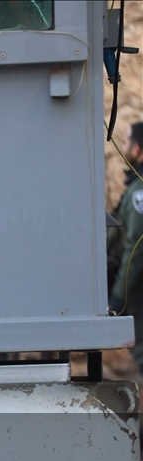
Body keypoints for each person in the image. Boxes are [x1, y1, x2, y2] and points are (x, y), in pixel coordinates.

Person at [110, 121, 143, 377]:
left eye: (125, 142)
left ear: (138, 150)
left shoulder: (138, 193)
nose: (122, 147)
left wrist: (119, 295)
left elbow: (136, 246)